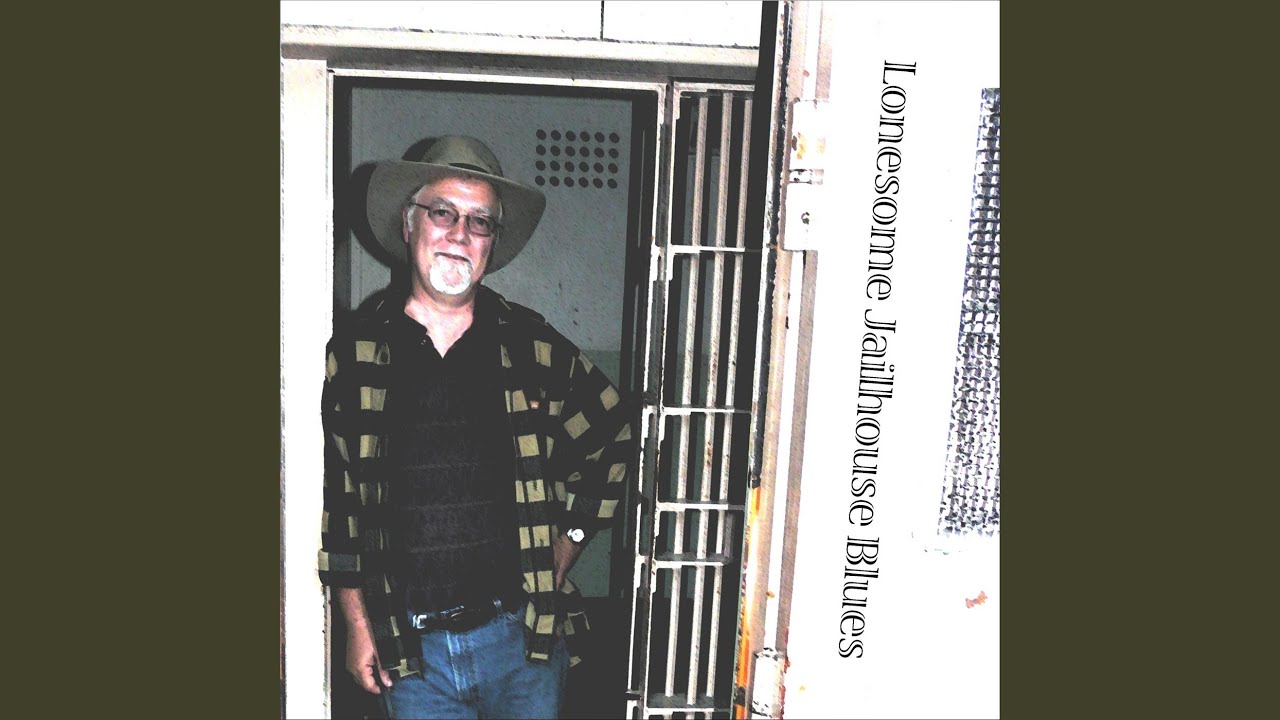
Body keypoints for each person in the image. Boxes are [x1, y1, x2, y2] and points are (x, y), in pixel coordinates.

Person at [318, 136, 633, 719]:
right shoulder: (356, 355)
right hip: (411, 650)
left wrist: (568, 542)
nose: (460, 234)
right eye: (442, 212)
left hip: (522, 641)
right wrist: (357, 625)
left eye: (479, 221)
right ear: (409, 225)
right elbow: (341, 503)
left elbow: (613, 434)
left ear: (491, 242)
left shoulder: (532, 347)